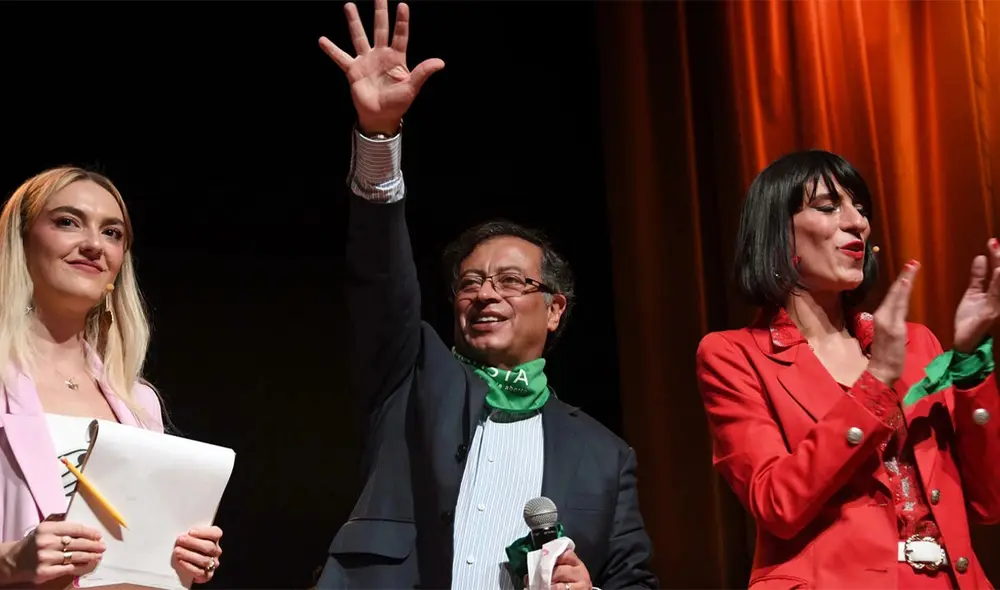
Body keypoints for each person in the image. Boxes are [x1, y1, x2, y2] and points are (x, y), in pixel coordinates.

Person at [314, 1, 658, 588]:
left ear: (554, 310)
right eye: (469, 283)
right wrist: (379, 137)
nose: (483, 295)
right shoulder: (412, 378)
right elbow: (380, 278)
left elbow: (634, 581)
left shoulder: (605, 455)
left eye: (509, 282)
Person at [695, 150, 1000, 589]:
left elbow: (988, 501)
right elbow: (777, 502)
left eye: (860, 207)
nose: (858, 221)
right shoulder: (734, 355)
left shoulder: (915, 343)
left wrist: (970, 359)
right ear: (777, 234)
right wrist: (874, 384)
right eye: (828, 207)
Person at [0, 167, 224, 587]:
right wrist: (11, 560)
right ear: (21, 241)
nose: (93, 245)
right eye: (67, 222)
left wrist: (182, 559)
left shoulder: (138, 401)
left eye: (112, 233)